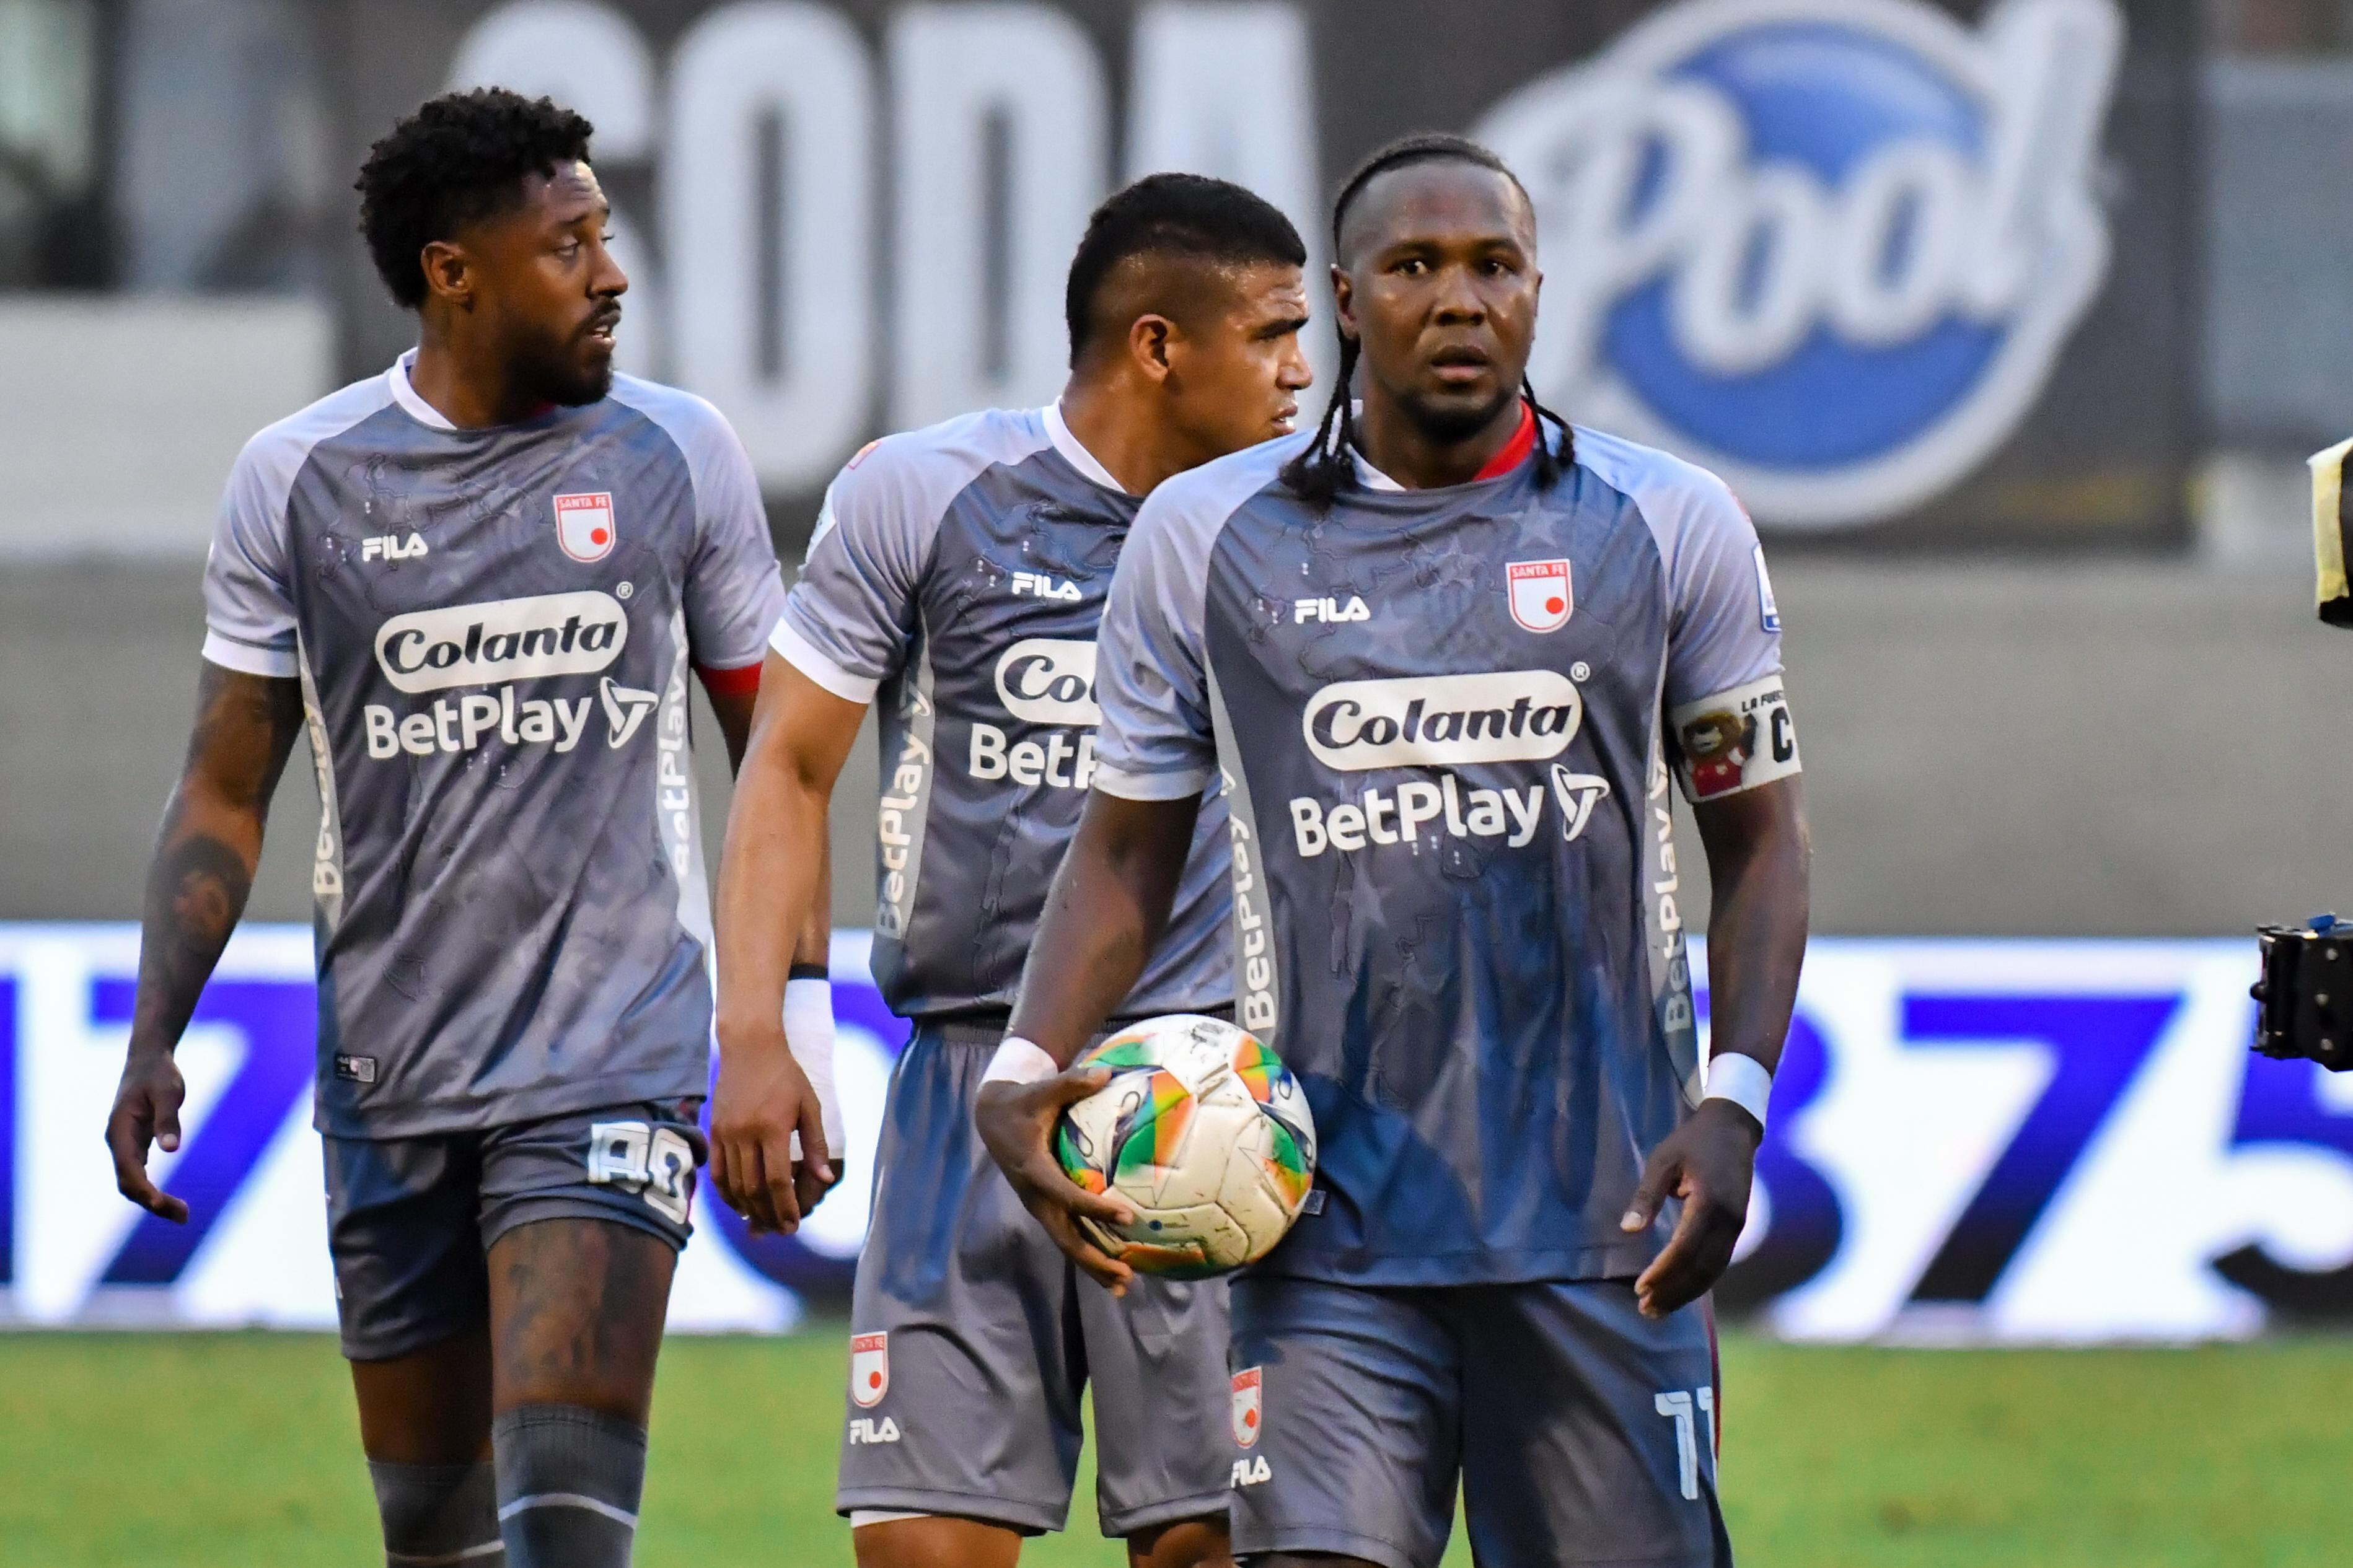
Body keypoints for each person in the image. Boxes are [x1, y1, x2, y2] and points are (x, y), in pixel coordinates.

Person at [975, 134, 1812, 1568]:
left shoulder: (1672, 525)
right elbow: (1122, 855)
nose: (1461, 298)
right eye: (1417, 267)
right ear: (1350, 300)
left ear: (1539, 292)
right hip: (1322, 1234)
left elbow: (1762, 842)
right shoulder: (1203, 537)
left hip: (1604, 1230)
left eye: (1494, 266)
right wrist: (1019, 1069)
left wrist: (1732, 1103)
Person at [100, 87, 819, 1568]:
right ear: (454, 273)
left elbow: (782, 767)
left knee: (565, 1524)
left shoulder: (678, 456)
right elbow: (227, 785)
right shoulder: (298, 480)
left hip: (612, 1061)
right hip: (390, 1078)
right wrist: (154, 1030)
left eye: (605, 239)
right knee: (434, 1541)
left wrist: (774, 1027)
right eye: (570, 248)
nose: (612, 276)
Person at [710, 173, 1314, 1568]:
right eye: (1276, 333)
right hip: (966, 1084)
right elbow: (788, 767)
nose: (1301, 373)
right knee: (920, 1546)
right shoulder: (922, 493)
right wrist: (767, 1030)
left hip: (1206, 1096)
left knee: (1205, 1545)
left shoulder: (1308, 532)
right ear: (1160, 346)